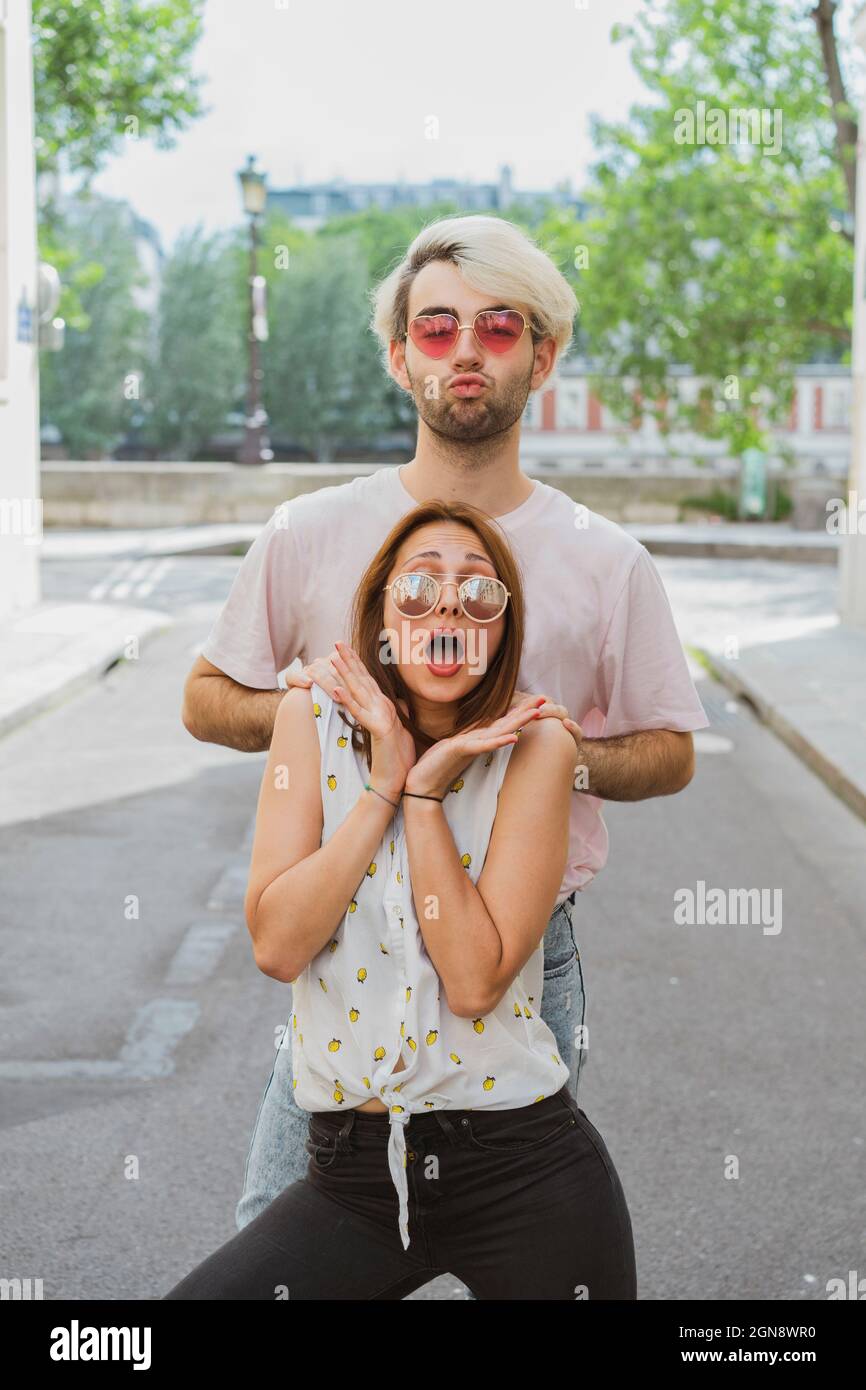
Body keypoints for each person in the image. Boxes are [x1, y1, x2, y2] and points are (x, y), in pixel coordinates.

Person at [180, 213, 710, 1248]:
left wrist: (538, 758)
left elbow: (670, 748)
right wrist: (315, 716)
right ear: (396, 353)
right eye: (435, 328)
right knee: (280, 1239)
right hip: (338, 945)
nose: (465, 350)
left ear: (542, 355)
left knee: (512, 1242)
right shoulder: (310, 530)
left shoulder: (607, 562)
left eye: (499, 326)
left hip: (515, 958)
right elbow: (206, 694)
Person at [165, 501, 638, 1299]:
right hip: (353, 1177)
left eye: (479, 594)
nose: (447, 606)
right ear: (383, 610)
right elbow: (278, 945)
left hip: (523, 1168)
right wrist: (384, 785)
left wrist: (425, 801)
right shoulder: (306, 721)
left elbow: (474, 979)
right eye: (418, 587)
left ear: (501, 629)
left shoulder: (538, 747)